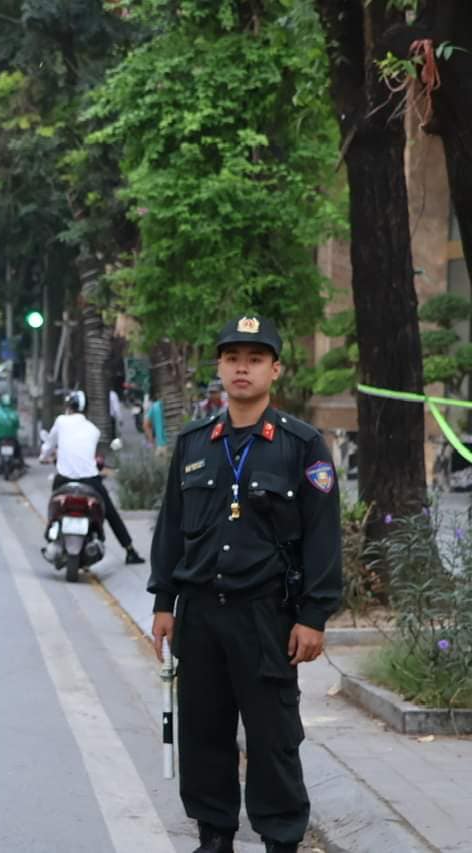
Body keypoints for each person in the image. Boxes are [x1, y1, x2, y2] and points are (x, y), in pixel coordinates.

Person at [148, 315, 342, 853]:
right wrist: (164, 602)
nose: (242, 368)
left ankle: (280, 839)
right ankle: (214, 836)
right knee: (204, 732)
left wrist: (314, 615)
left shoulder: (302, 446)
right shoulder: (194, 443)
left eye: (255, 359)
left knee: (272, 735)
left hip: (266, 617)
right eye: (233, 358)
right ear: (220, 368)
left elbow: (324, 536)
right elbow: (170, 529)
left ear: (274, 370)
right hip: (201, 614)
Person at [40, 394, 145, 565]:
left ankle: (50, 532)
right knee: (109, 511)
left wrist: (43, 456)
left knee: (54, 502)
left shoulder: (60, 421)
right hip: (90, 480)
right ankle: (130, 550)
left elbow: (49, 445)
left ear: (68, 407)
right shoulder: (93, 430)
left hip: (63, 479)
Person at [144, 386, 167, 454]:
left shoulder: (155, 406)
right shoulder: (181, 404)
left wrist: (152, 441)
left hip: (161, 445)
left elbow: (145, 425)